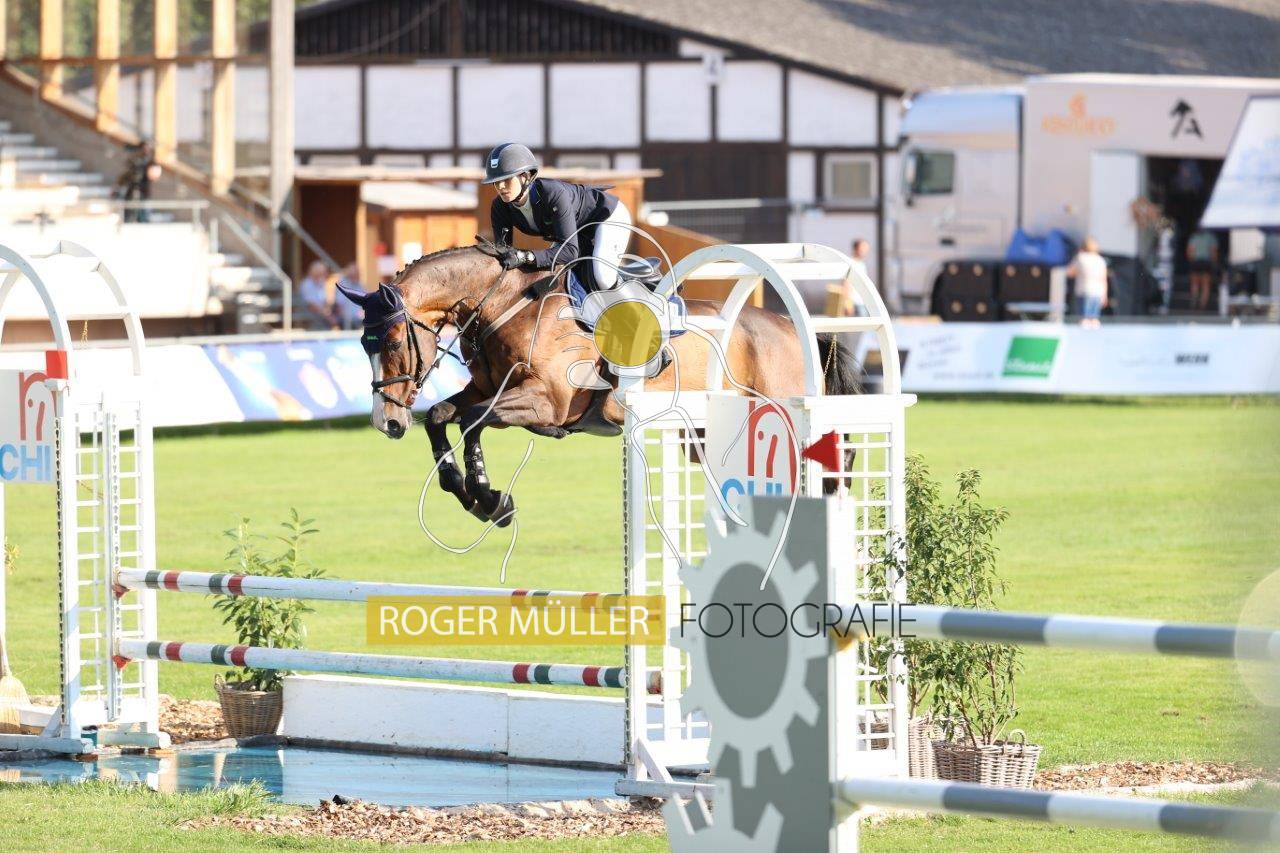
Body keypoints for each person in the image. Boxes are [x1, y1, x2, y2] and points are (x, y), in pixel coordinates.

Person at [483, 143, 631, 299]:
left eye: (506, 179)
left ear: (525, 176)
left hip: (607, 216)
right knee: (551, 278)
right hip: (576, 231)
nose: (500, 186)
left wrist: (527, 256)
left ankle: (639, 307)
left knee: (603, 277)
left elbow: (570, 252)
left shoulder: (553, 194)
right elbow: (503, 253)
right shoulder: (500, 206)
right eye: (496, 181)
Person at [1066, 236, 1108, 328]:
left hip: (1084, 291)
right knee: (1094, 319)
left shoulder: (1080, 258)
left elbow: (1070, 273)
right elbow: (1104, 279)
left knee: (1084, 319)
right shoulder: (1100, 260)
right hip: (1098, 292)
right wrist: (1105, 295)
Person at [114, 141, 161, 223]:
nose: (145, 151)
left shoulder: (150, 162)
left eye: (147, 149)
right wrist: (118, 186)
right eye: (143, 149)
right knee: (128, 213)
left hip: (144, 191)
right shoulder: (134, 162)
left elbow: (154, 174)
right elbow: (127, 175)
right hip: (132, 189)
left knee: (143, 215)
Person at [298, 261, 337, 330]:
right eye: (321, 272)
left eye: (324, 272)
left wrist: (328, 310)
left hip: (322, 314)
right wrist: (328, 316)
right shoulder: (306, 284)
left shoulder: (321, 283)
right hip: (311, 314)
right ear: (314, 272)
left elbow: (326, 300)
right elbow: (312, 305)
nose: (325, 274)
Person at [1186, 228, 1218, 312]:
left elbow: (1190, 251)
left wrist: (1191, 261)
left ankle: (1194, 301)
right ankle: (1202, 305)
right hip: (1206, 262)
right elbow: (1213, 252)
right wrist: (1214, 263)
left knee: (1194, 283)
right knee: (1205, 285)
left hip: (1195, 262)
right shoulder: (1211, 237)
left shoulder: (1194, 237)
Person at [334, 262, 365, 330]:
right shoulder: (342, 285)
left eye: (357, 274)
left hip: (359, 318)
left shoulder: (360, 285)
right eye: (354, 274)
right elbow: (339, 305)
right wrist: (345, 318)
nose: (357, 276)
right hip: (346, 320)